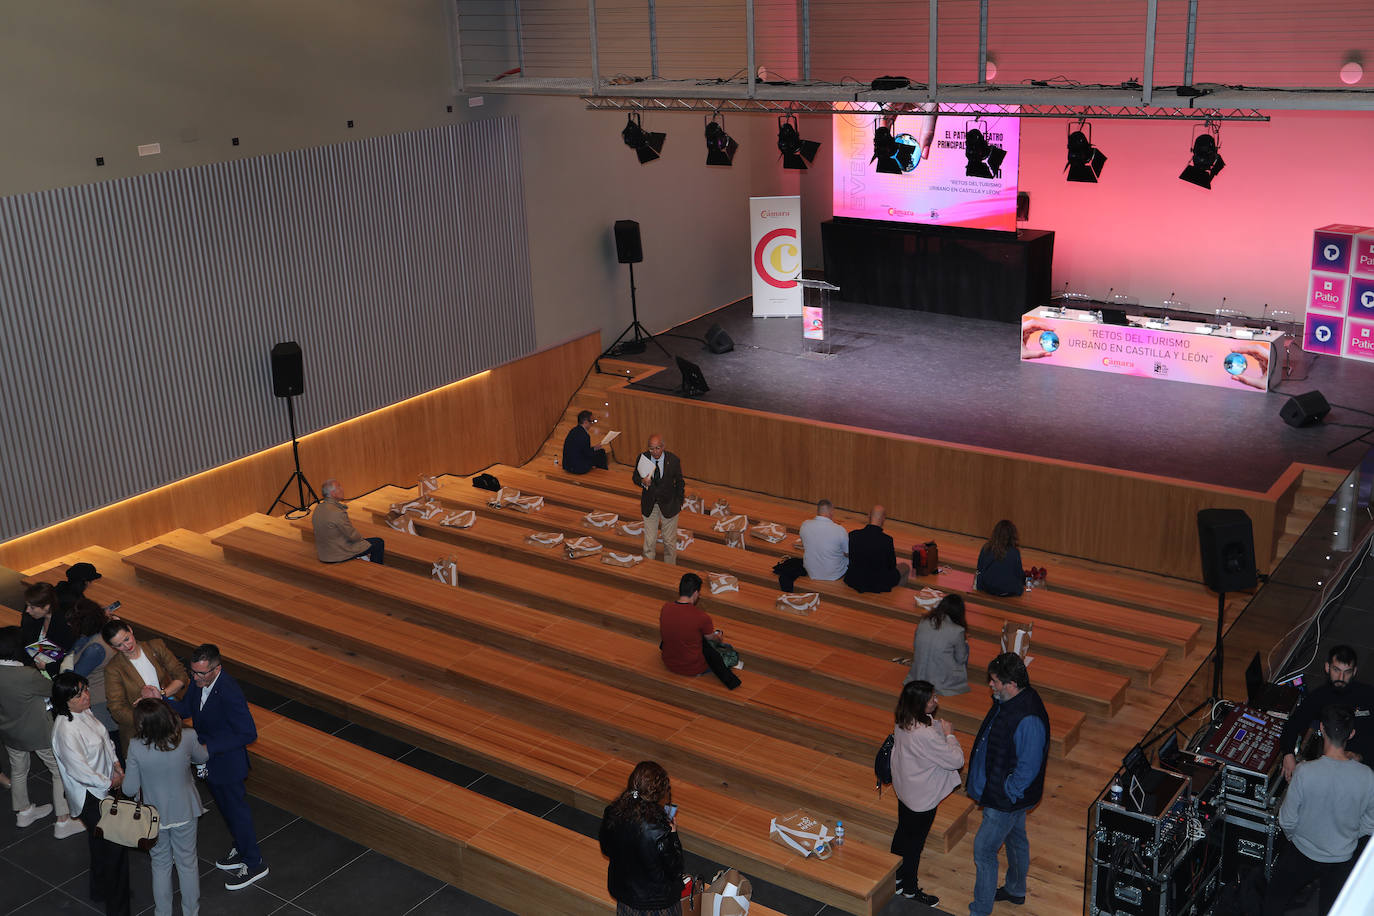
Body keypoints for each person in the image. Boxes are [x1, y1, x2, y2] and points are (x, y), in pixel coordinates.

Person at [165, 644, 269, 891]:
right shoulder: (199, 683)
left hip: (227, 763)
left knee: (237, 812)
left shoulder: (229, 691)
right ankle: (242, 848)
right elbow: (187, 709)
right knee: (226, 810)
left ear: (216, 669)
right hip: (210, 762)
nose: (195, 678)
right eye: (193, 673)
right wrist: (161, 700)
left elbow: (248, 733)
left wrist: (207, 745)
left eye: (201, 674)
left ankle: (254, 863)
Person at [1264, 705, 1374, 916]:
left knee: (1274, 901)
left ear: (1322, 729)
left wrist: (1297, 839)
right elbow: (1370, 823)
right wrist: (1349, 837)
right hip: (1342, 858)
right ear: (1351, 733)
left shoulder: (1304, 772)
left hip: (1302, 852)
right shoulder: (1367, 776)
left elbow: (1286, 820)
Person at [966, 652, 1049, 916]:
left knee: (984, 851)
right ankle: (1015, 890)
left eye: (994, 681)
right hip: (1002, 794)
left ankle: (981, 909)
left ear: (1011, 683)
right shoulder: (1011, 700)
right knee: (1016, 840)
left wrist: (1007, 791)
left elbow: (1028, 768)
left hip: (1003, 800)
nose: (991, 685)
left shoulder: (1028, 718)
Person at [51, 672, 131, 916]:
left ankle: (99, 889)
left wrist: (117, 764)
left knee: (99, 844)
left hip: (104, 788)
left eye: (85, 689)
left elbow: (105, 740)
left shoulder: (84, 712)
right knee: (116, 851)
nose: (86, 696)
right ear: (66, 701)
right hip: (91, 796)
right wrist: (111, 781)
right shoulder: (65, 730)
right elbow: (79, 770)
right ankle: (118, 908)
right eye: (79, 694)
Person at [123, 698, 208, 916]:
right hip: (185, 809)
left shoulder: (135, 746)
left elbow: (129, 789)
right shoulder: (188, 737)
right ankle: (191, 912)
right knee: (187, 864)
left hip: (154, 817)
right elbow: (203, 756)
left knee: (160, 866)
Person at [0, 627, 84, 838]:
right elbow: (51, 689)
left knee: (18, 771)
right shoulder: (26, 675)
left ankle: (24, 812)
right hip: (38, 733)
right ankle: (63, 821)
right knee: (58, 771)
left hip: (10, 733)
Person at [890, 680, 964, 906]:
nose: (936, 701)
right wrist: (950, 735)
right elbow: (956, 760)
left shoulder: (903, 721)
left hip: (905, 789)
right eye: (932, 698)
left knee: (903, 832)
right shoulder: (925, 734)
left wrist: (936, 729)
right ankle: (910, 890)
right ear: (920, 703)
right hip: (921, 799)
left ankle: (895, 878)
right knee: (915, 844)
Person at [598, 760, 685, 916]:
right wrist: (673, 834)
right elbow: (675, 869)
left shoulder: (612, 813)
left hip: (627, 899)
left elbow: (606, 849)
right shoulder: (661, 829)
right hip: (658, 904)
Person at [1280, 645, 1374, 781]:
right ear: (1327, 668)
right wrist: (1288, 754)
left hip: (1367, 765)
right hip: (1333, 768)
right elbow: (1293, 725)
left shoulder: (1368, 695)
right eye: (1336, 670)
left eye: (1347, 672)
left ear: (1354, 672)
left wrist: (1359, 756)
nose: (1341, 677)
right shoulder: (1318, 697)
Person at [102, 620, 187, 754]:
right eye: (119, 645)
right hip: (140, 733)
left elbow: (181, 675)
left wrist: (161, 694)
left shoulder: (156, 646)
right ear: (112, 646)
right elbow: (116, 708)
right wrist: (148, 720)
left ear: (130, 630)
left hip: (169, 722)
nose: (126, 645)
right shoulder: (113, 669)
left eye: (127, 639)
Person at [658, 573, 740, 690]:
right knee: (726, 649)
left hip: (669, 662)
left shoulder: (665, 608)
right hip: (693, 668)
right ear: (696, 593)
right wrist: (718, 636)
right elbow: (711, 638)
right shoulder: (701, 617)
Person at [67, 598, 119, 734]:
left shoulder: (95, 648)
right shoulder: (101, 631)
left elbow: (74, 676)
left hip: (99, 702)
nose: (69, 625)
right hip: (103, 696)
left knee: (108, 739)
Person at [633, 434, 685, 565]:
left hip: (669, 505)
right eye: (651, 449)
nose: (654, 452)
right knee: (649, 542)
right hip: (650, 505)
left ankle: (669, 571)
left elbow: (680, 483)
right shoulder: (643, 458)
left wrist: (679, 502)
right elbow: (635, 478)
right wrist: (643, 482)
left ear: (663, 447)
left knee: (669, 543)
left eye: (657, 448)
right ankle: (649, 571)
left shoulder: (673, 460)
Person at [906, 594, 971, 696]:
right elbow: (961, 658)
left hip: (918, 674)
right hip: (941, 680)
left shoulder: (924, 620)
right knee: (965, 647)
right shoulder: (958, 630)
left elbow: (915, 645)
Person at [312, 478, 385, 564]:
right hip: (338, 554)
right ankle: (376, 568)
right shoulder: (337, 512)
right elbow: (352, 535)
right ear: (333, 493)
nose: (342, 489)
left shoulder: (318, 508)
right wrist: (362, 540)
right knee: (378, 542)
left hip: (324, 553)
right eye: (339, 487)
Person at [843, 505, 909, 594]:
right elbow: (891, 565)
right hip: (877, 584)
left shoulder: (853, 535)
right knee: (905, 566)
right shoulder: (887, 540)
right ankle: (892, 596)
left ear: (868, 516)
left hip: (855, 580)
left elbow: (851, 557)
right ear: (883, 519)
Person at [20, 582, 76, 677]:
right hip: (32, 668)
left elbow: (68, 658)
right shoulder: (31, 618)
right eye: (27, 605)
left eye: (32, 607)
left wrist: (47, 666)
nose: (27, 610)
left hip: (53, 674)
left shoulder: (64, 626)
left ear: (47, 607)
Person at [799, 499, 848, 581]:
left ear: (818, 511)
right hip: (834, 574)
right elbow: (847, 553)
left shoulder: (805, 525)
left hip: (811, 571)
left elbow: (804, 544)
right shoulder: (839, 530)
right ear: (831, 512)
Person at [975, 520, 1025, 597]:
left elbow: (979, 569)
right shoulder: (1014, 552)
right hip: (1007, 591)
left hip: (987, 588)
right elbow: (1019, 574)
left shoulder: (986, 547)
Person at [562, 409, 609, 473]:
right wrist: (594, 449)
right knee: (601, 452)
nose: (592, 424)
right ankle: (603, 473)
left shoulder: (573, 430)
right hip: (577, 468)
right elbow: (588, 454)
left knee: (597, 452)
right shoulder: (584, 435)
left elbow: (581, 450)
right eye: (591, 421)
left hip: (567, 465)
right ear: (585, 421)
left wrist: (594, 448)